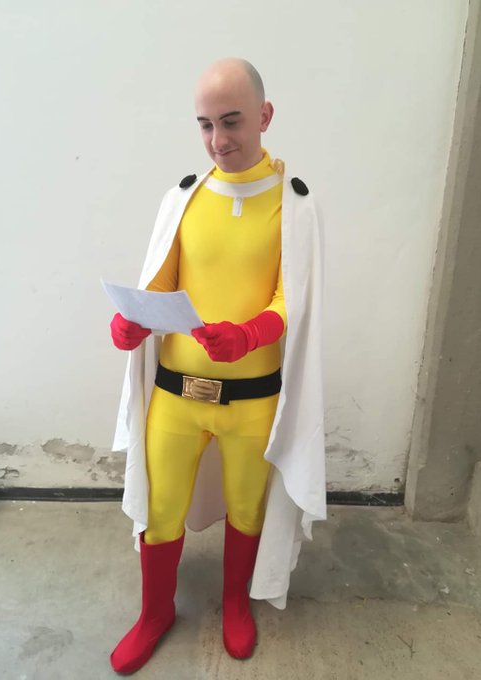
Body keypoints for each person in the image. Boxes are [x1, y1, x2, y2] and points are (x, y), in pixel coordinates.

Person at [109, 58, 326, 675]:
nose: (218, 139)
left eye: (231, 121)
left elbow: (292, 297)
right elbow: (161, 284)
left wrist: (252, 332)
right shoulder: (184, 197)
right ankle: (154, 613)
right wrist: (133, 321)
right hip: (176, 395)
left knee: (247, 508)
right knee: (161, 509)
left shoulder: (294, 204)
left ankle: (235, 602)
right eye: (205, 124)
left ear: (265, 115)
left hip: (252, 399)